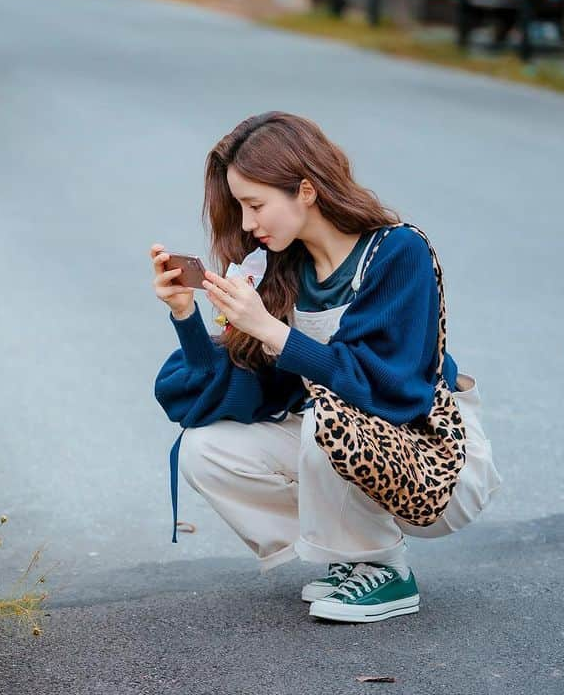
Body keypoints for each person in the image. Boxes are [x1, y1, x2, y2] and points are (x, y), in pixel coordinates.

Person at [150, 111, 501, 624]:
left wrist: (273, 331)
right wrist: (186, 316)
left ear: (307, 191)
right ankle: (348, 557)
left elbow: (390, 391)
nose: (248, 224)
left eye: (255, 205)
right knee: (207, 449)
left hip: (433, 460)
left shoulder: (399, 251)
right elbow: (232, 396)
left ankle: (386, 570)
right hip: (346, 450)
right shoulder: (281, 268)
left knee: (324, 414)